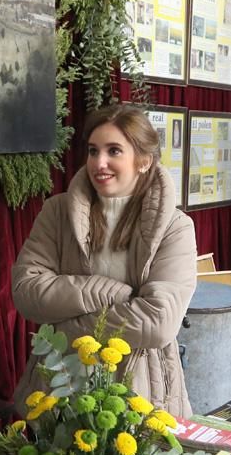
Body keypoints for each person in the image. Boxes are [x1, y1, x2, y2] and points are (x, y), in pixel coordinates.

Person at [11, 103, 198, 417]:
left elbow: (158, 323)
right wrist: (112, 293)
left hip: (142, 393)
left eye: (114, 151)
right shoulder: (57, 212)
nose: (100, 163)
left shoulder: (175, 226)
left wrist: (62, 325)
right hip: (61, 386)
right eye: (93, 150)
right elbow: (27, 292)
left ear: (144, 161)